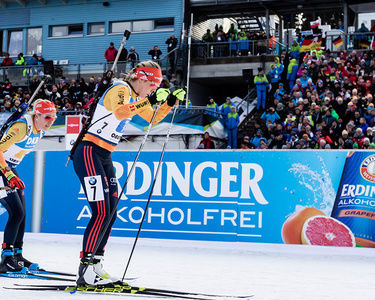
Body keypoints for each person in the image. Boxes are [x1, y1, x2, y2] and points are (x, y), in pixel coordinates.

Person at [71, 60, 185, 286]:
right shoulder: (121, 88)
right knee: (102, 211)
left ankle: (95, 265)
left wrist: (169, 102)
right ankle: (85, 270)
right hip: (88, 152)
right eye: (153, 85)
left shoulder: (137, 96)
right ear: (142, 79)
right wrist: (150, 100)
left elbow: (152, 118)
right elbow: (121, 112)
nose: (153, 90)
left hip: (103, 155)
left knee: (111, 211)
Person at [0, 100, 56, 273]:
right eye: (47, 117)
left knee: (22, 214)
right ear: (37, 115)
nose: (50, 121)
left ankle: (17, 255)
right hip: (2, 168)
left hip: (11, 167)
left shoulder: (41, 128)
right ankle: (7, 258)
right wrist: (8, 174)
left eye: (53, 118)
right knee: (16, 212)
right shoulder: (22, 127)